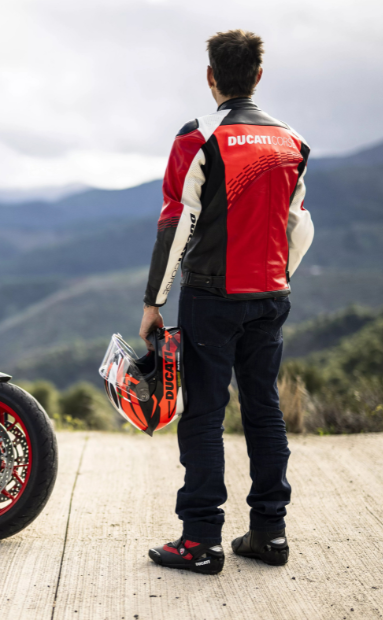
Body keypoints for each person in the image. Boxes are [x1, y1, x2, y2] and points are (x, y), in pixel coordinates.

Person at [141, 30, 314, 575]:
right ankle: (269, 533)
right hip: (271, 295)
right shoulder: (292, 142)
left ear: (210, 76)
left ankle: (200, 541)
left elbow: (177, 222)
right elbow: (299, 226)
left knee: (204, 415)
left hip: (212, 297)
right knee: (264, 409)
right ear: (258, 76)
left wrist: (154, 302)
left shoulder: (199, 137)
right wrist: (278, 278)